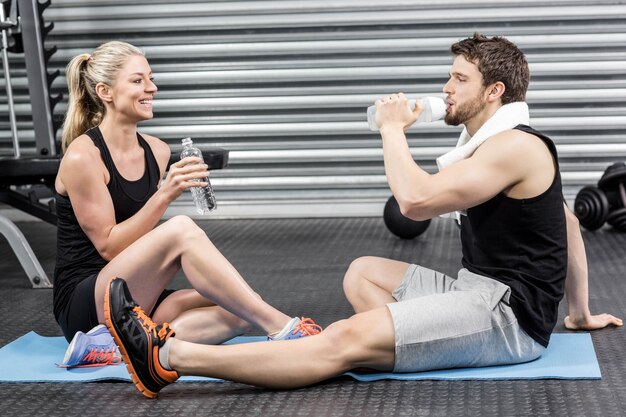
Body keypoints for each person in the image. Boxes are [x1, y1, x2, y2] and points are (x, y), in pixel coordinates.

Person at [104, 34, 622, 398]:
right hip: (474, 289)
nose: (446, 88)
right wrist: (576, 313)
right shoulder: (490, 146)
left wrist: (393, 130)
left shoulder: (513, 148)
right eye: (449, 75)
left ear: (494, 93)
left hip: (506, 318)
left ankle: (167, 360)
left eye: (459, 79)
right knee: (361, 272)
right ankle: (380, 345)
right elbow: (569, 224)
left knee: (343, 339)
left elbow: (415, 202)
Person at [53, 41, 321, 367]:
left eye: (150, 78)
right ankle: (284, 328)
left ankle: (132, 348)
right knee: (180, 229)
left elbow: (139, 242)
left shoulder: (157, 150)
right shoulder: (84, 155)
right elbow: (109, 247)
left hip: (136, 298)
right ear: (105, 91)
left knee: (238, 308)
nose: (151, 87)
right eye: (138, 81)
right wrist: (165, 194)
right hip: (87, 303)